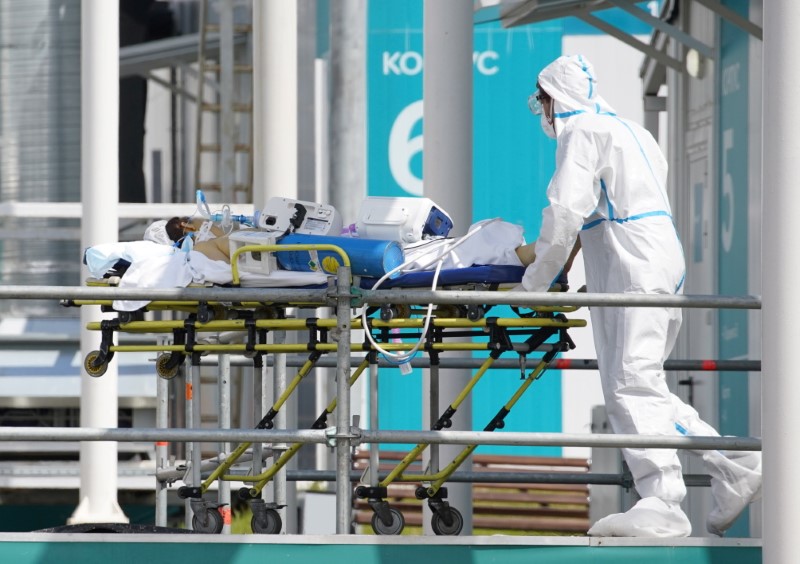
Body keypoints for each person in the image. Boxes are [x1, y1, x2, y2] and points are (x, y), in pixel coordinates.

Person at [516, 54, 761, 537]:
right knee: (645, 385)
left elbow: (566, 215)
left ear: (553, 100)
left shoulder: (581, 133)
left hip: (633, 268)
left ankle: (663, 501)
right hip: (657, 262)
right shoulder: (631, 132)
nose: (542, 115)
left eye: (541, 103)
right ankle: (734, 463)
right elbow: (599, 216)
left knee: (630, 384)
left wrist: (533, 284)